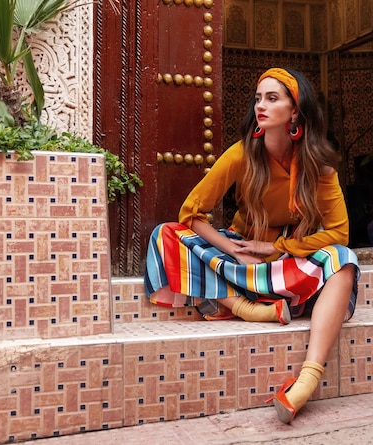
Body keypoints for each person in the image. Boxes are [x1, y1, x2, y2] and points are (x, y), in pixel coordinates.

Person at [144, 67, 360, 423]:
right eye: (258, 98)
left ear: (295, 112)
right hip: (240, 263)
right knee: (166, 233)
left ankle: (306, 382)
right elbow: (190, 213)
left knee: (343, 260)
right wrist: (230, 249)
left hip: (283, 266)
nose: (261, 105)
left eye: (272, 98)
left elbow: (339, 234)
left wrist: (279, 248)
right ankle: (247, 309)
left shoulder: (319, 168)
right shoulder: (241, 154)